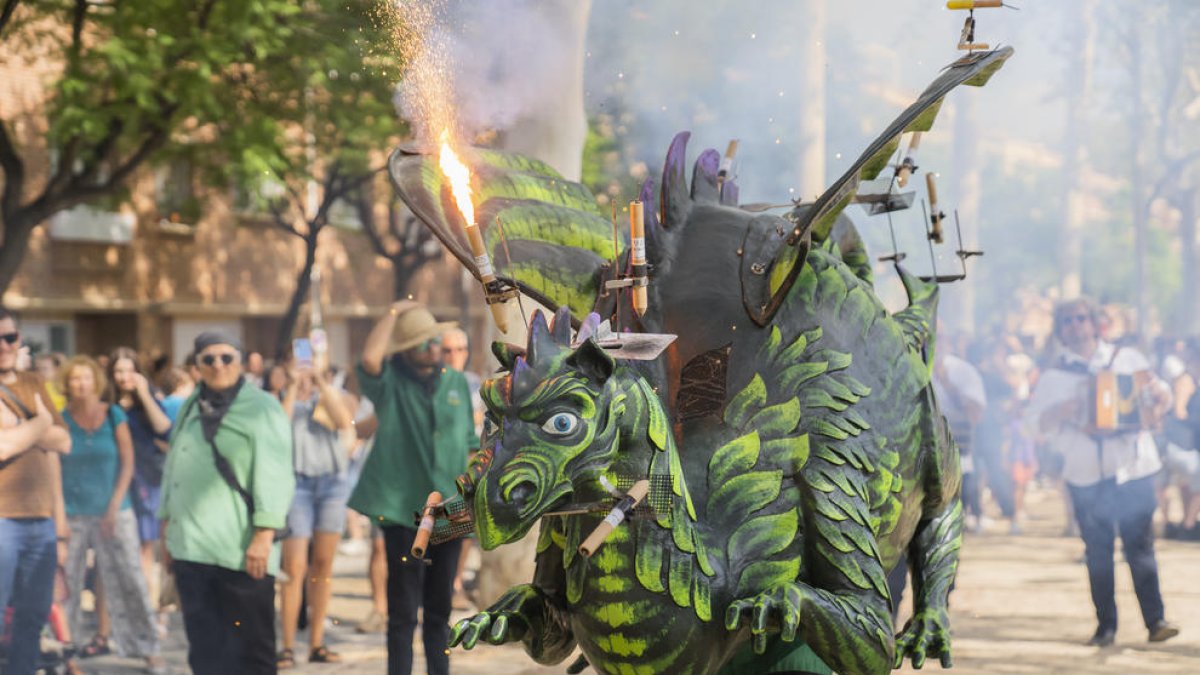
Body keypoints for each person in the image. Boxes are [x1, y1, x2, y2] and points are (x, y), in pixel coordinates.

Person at [1026, 297, 1178, 647]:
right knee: (1098, 554)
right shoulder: (1054, 377)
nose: (1075, 326)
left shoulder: (1127, 359)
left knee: (1141, 549)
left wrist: (1158, 397)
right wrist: (1062, 411)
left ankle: (1156, 621)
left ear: (1094, 323)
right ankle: (1106, 627)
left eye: (1080, 319)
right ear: (1061, 331)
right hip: (1085, 475)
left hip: (1133, 467)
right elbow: (1034, 426)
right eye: (1067, 321)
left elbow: (1162, 396)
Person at [348, 301, 475, 675]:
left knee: (440, 610)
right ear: (404, 350)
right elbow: (370, 358)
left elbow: (469, 442)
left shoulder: (455, 382)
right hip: (403, 509)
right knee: (403, 613)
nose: (433, 346)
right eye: (422, 342)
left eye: (434, 339)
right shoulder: (390, 382)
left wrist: (471, 497)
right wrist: (391, 314)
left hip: (449, 511)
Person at [158, 331, 294, 674]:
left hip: (241, 550)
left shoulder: (263, 407)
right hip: (191, 546)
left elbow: (276, 474)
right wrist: (166, 524)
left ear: (242, 361)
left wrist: (264, 535)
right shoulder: (191, 403)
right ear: (197, 366)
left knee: (253, 652)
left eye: (226, 357)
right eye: (208, 359)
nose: (218, 365)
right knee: (205, 651)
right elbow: (174, 462)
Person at [58, 355, 164, 672]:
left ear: (96, 381)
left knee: (131, 577)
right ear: (67, 384)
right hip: (74, 514)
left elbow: (127, 462)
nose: (81, 384)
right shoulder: (61, 418)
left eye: (86, 377)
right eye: (75, 378)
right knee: (69, 587)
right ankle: (68, 653)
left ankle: (149, 648)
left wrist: (114, 507)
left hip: (116, 511)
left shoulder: (112, 414)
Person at [0, 307, 72, 675]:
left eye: (10, 337)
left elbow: (63, 442)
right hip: (3, 522)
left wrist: (21, 429)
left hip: (40, 523)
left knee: (32, 615)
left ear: (19, 340)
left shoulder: (32, 382)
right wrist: (40, 422)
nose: (4, 345)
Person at [277, 364, 356, 668]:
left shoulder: (335, 395)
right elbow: (279, 428)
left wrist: (323, 384)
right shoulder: (281, 398)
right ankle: (286, 646)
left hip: (332, 484)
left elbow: (342, 421)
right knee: (293, 566)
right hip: (296, 484)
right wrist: (295, 387)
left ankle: (316, 643)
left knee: (323, 564)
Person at [109, 347, 174, 598]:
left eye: (129, 370)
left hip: (146, 483)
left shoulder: (146, 401)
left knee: (144, 552)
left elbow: (165, 429)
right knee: (120, 552)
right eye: (118, 371)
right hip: (115, 484)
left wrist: (144, 394)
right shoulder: (108, 405)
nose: (124, 376)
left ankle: (150, 611)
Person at [933, 340, 988, 532]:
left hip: (958, 461)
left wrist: (947, 384)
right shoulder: (904, 366)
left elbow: (976, 414)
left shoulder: (963, 371)